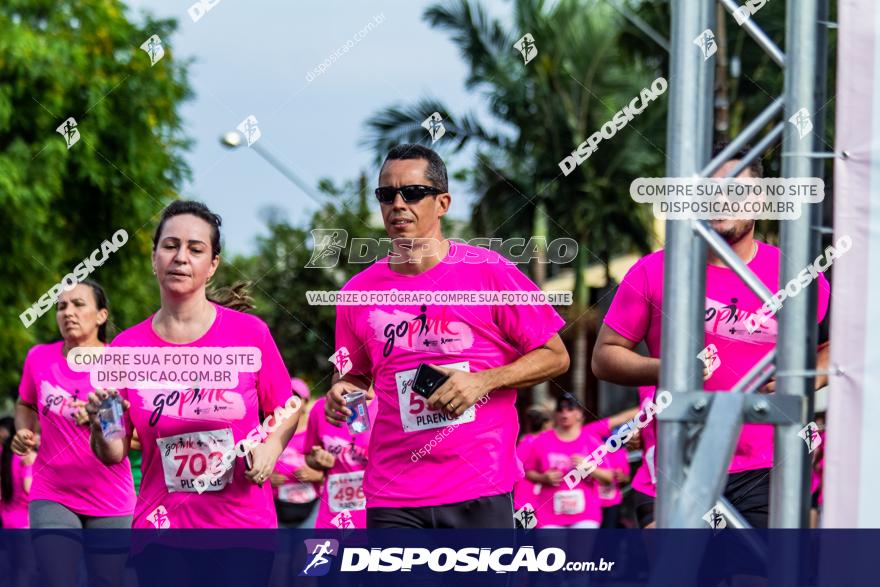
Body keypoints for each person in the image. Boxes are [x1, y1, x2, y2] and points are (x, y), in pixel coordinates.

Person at [326, 144, 570, 528]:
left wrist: (483, 381)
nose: (398, 204)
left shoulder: (489, 271)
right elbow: (353, 375)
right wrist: (343, 391)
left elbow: (555, 355)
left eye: (413, 193)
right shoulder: (357, 293)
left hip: (479, 485)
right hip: (393, 493)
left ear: (442, 202)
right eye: (386, 195)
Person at [591, 144, 832, 528]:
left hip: (767, 463)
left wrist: (806, 379)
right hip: (675, 461)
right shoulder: (654, 271)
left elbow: (832, 348)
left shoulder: (798, 275)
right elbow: (605, 357)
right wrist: (671, 368)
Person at [85, 201, 299, 585]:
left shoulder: (249, 334)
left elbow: (287, 407)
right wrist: (102, 425)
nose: (180, 257)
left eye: (195, 249)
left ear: (213, 264)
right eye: (170, 246)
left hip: (242, 531)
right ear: (154, 258)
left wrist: (270, 448)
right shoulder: (125, 349)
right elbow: (113, 452)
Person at [12, 280, 135, 587]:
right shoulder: (39, 358)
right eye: (61, 306)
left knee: (106, 580)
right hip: (52, 491)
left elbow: (132, 439)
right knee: (58, 579)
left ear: (101, 315)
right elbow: (25, 402)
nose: (68, 312)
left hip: (110, 495)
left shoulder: (120, 363)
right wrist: (24, 431)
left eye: (79, 304)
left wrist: (101, 423)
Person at [522, 394, 636, 528]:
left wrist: (590, 468)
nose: (565, 412)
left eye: (570, 408)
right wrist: (543, 478)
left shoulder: (591, 439)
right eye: (560, 408)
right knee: (545, 547)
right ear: (554, 415)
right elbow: (525, 472)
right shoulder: (538, 441)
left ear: (580, 414)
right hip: (546, 513)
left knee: (597, 546)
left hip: (588, 512)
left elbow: (612, 477)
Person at [304, 382, 377, 529]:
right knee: (318, 553)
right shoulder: (320, 408)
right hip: (332, 516)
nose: (342, 376)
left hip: (375, 516)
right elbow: (309, 456)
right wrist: (317, 459)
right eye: (337, 370)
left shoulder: (385, 405)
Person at [272, 378, 322, 529]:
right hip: (277, 506)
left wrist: (317, 475)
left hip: (312, 505)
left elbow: (336, 468)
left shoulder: (318, 429)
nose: (289, 403)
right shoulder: (268, 432)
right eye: (285, 398)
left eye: (295, 398)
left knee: (307, 551)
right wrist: (267, 479)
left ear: (306, 402)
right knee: (280, 553)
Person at [513, 405, 552, 518]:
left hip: (532, 499)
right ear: (546, 424)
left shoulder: (526, 442)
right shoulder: (533, 443)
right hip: (526, 499)